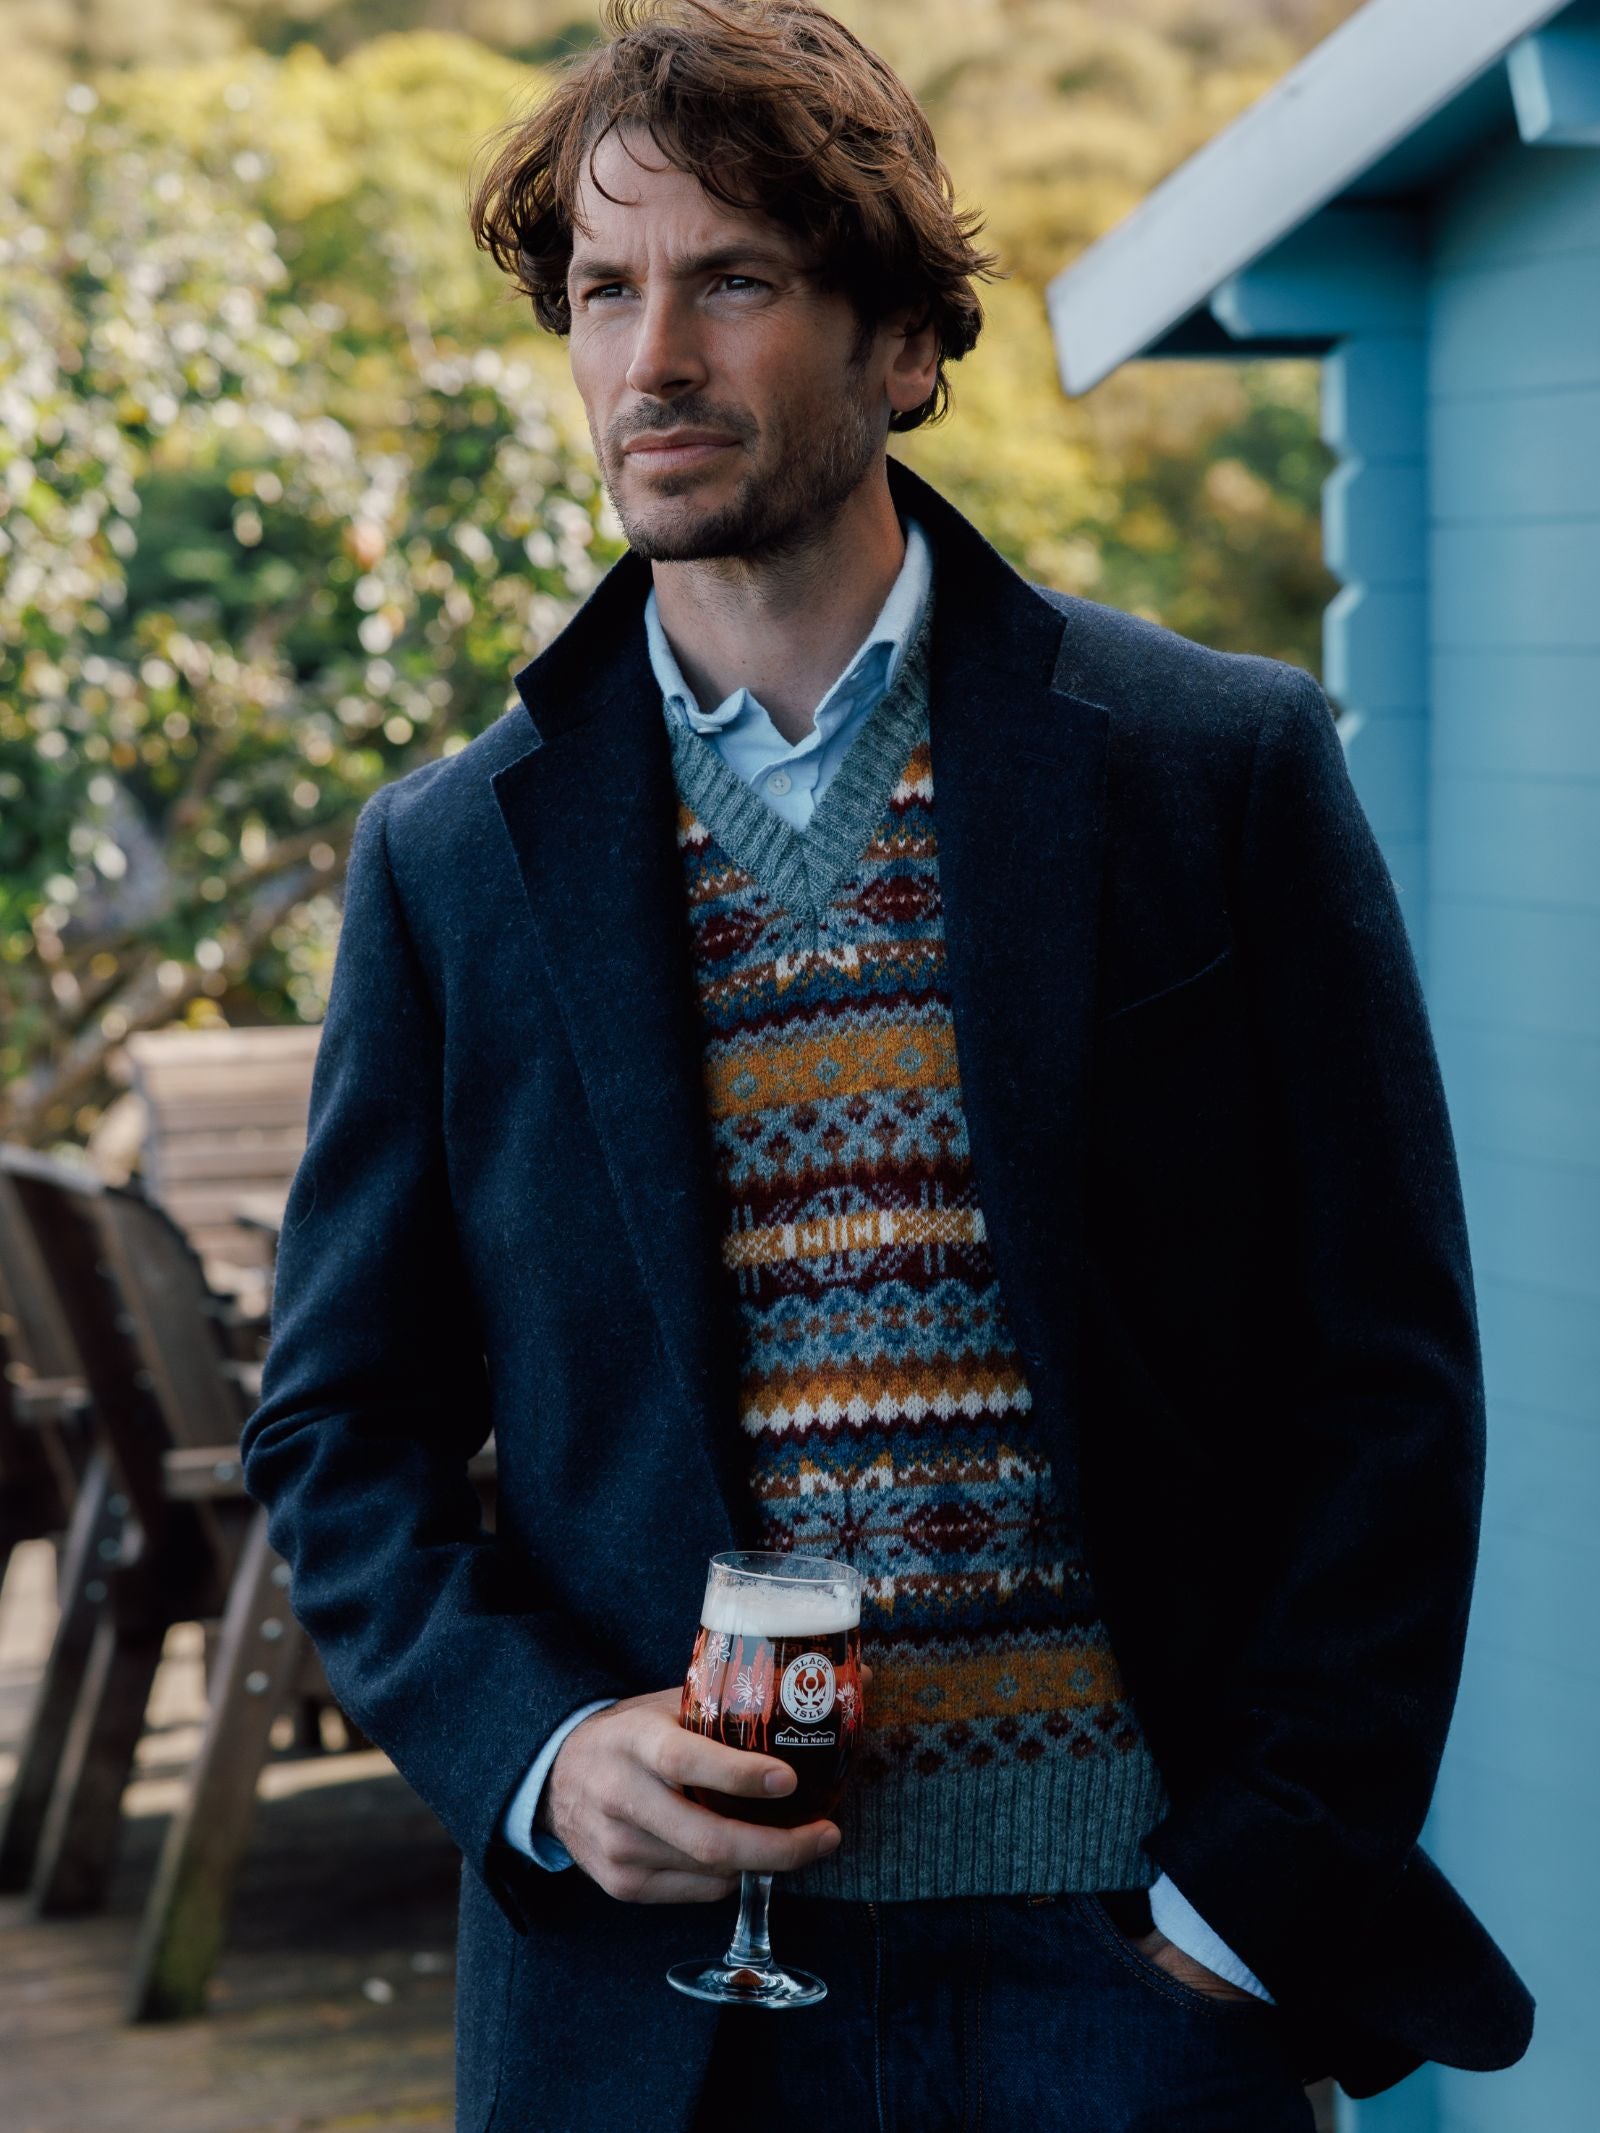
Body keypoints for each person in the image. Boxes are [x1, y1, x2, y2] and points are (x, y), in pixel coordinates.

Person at [239, 3, 1534, 2127]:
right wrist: (544, 1752)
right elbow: (340, 1427)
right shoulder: (450, 860)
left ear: (903, 345)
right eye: (600, 294)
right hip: (661, 2009)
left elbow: (1383, 1375)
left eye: (729, 280)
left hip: (1133, 1981)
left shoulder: (1215, 772)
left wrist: (1248, 1884)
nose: (648, 360)